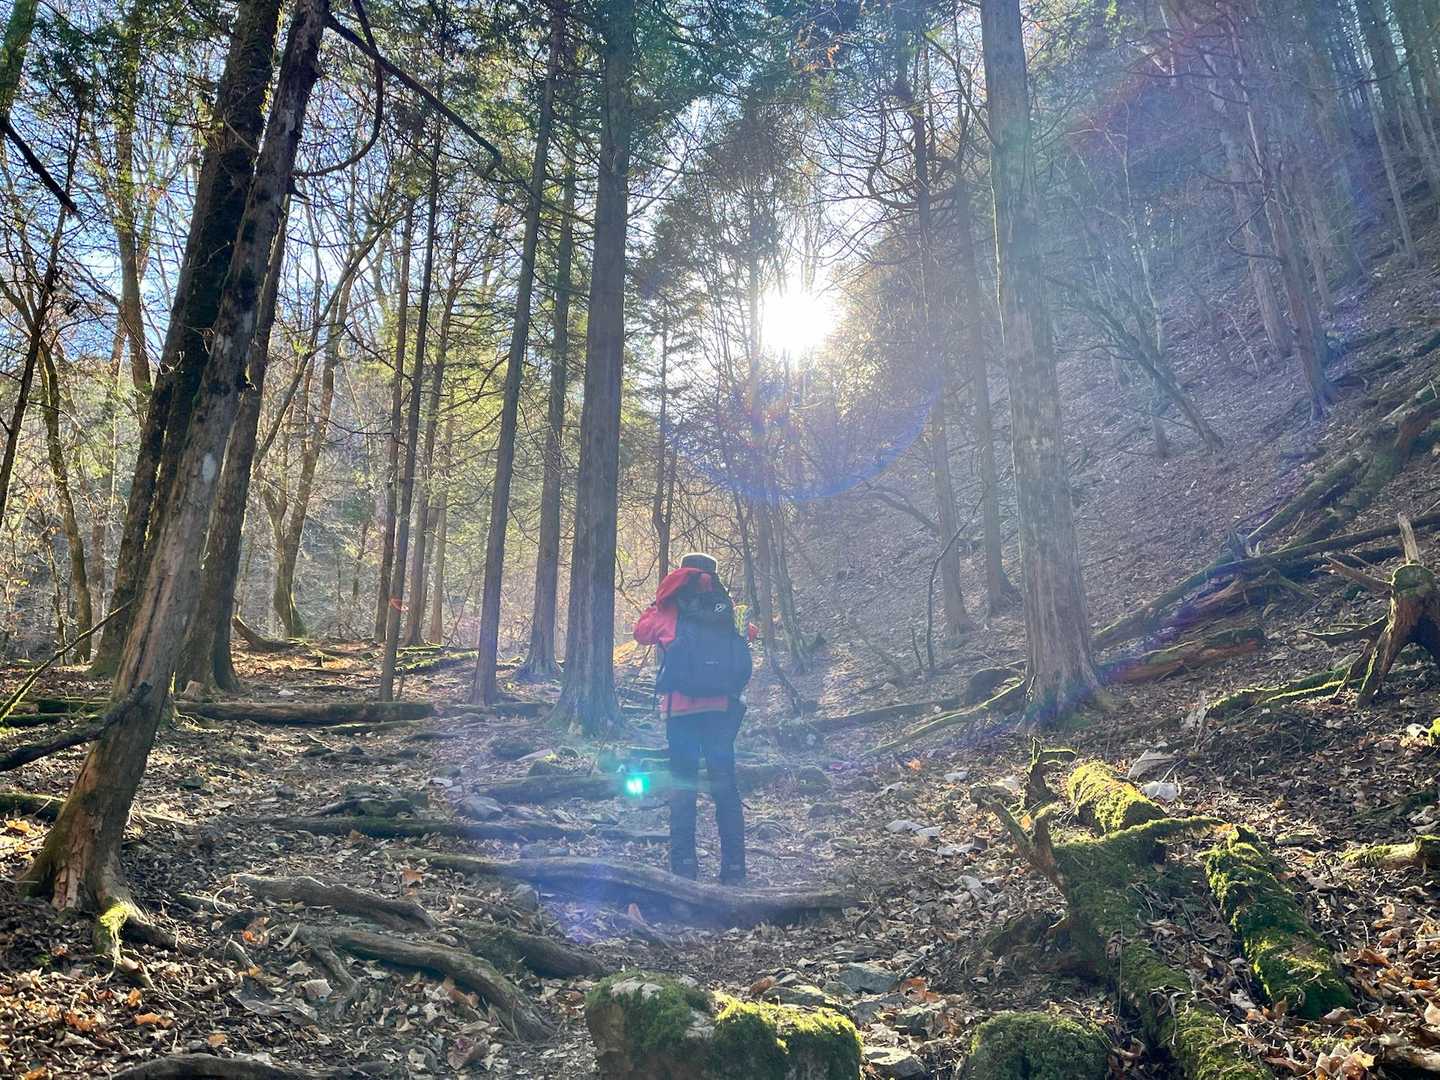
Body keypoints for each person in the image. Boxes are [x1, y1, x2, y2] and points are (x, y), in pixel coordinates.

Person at [634, 552, 755, 884]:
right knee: (725, 788)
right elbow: (750, 633)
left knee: (683, 788)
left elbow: (641, 632)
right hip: (721, 711)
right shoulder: (723, 609)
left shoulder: (669, 610)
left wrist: (656, 604)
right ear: (712, 576)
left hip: (680, 713)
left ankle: (684, 869)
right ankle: (734, 870)